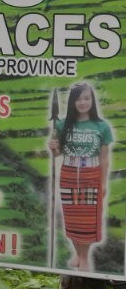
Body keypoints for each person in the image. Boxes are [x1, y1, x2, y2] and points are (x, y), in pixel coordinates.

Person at [48, 82, 113, 271]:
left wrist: (103, 183)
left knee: (87, 220)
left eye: (87, 98)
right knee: (73, 218)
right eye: (78, 98)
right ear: (72, 101)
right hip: (68, 174)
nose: (83, 102)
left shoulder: (101, 126)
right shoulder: (62, 124)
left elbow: (104, 158)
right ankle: (78, 253)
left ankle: (84, 258)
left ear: (92, 100)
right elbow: (58, 154)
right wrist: (54, 148)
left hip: (91, 174)